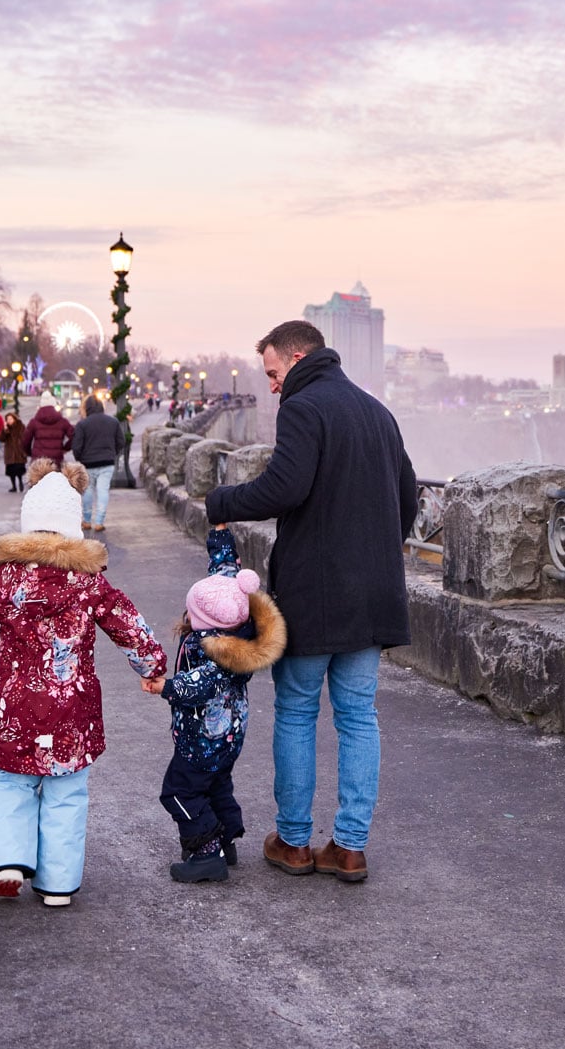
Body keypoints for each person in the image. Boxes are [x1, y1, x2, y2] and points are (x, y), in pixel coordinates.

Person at [204, 320, 417, 884]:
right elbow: (407, 498)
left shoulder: (303, 408)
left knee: (297, 712)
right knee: (358, 716)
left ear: (297, 357)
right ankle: (349, 848)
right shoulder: (377, 412)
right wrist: (373, 553)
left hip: (315, 595)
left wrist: (221, 499)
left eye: (273, 372)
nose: (272, 386)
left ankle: (294, 842)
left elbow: (285, 488)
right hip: (373, 596)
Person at [0, 468, 166, 907]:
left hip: (15, 708)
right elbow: (130, 626)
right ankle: (58, 885)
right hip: (72, 711)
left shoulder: (8, 581)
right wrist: (153, 666)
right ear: (74, 526)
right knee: (67, 794)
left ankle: (10, 860)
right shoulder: (90, 584)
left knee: (10, 782)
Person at [141, 526, 284, 883]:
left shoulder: (210, 650)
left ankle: (207, 853)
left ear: (200, 620)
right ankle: (225, 841)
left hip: (202, 739)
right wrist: (220, 535)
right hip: (228, 736)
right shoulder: (237, 629)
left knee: (178, 791)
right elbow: (225, 574)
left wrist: (166, 686)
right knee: (216, 783)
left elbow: (199, 685)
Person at [70, 396, 123, 532]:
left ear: (86, 408)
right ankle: (99, 521)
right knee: (103, 490)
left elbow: (76, 446)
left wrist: (80, 458)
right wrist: (112, 453)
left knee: (87, 490)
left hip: (88, 463)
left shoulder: (82, 424)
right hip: (107, 462)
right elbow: (120, 442)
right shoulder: (113, 422)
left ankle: (87, 520)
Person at [21, 393, 72, 469]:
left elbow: (25, 441)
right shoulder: (62, 421)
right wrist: (65, 448)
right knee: (55, 480)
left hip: (38, 461)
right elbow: (75, 436)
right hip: (56, 461)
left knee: (38, 480)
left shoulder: (34, 422)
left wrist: (29, 453)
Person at [0, 411, 27, 492]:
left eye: (11, 419)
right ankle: (14, 486)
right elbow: (1, 439)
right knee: (11, 471)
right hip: (10, 452)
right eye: (7, 419)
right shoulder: (6, 428)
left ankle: (20, 482)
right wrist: (5, 430)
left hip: (19, 451)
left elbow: (24, 437)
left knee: (19, 469)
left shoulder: (20, 426)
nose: (9, 420)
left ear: (14, 419)